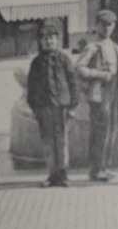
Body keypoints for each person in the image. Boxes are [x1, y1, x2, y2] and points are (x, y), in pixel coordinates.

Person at [25, 22, 80, 187]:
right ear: (41, 42)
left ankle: (63, 175)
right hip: (44, 107)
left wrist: (73, 107)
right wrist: (34, 108)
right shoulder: (36, 63)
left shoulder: (64, 60)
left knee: (62, 140)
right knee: (48, 141)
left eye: (52, 38)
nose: (49, 42)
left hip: (61, 106)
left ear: (58, 40)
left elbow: (73, 84)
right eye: (45, 39)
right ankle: (52, 174)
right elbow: (31, 87)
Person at [75, 9, 118, 181]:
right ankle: (96, 169)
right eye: (103, 24)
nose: (106, 28)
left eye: (110, 25)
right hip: (99, 93)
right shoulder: (92, 47)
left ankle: (105, 166)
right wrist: (98, 74)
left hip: (114, 92)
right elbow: (79, 68)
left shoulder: (116, 47)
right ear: (96, 25)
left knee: (111, 131)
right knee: (99, 132)